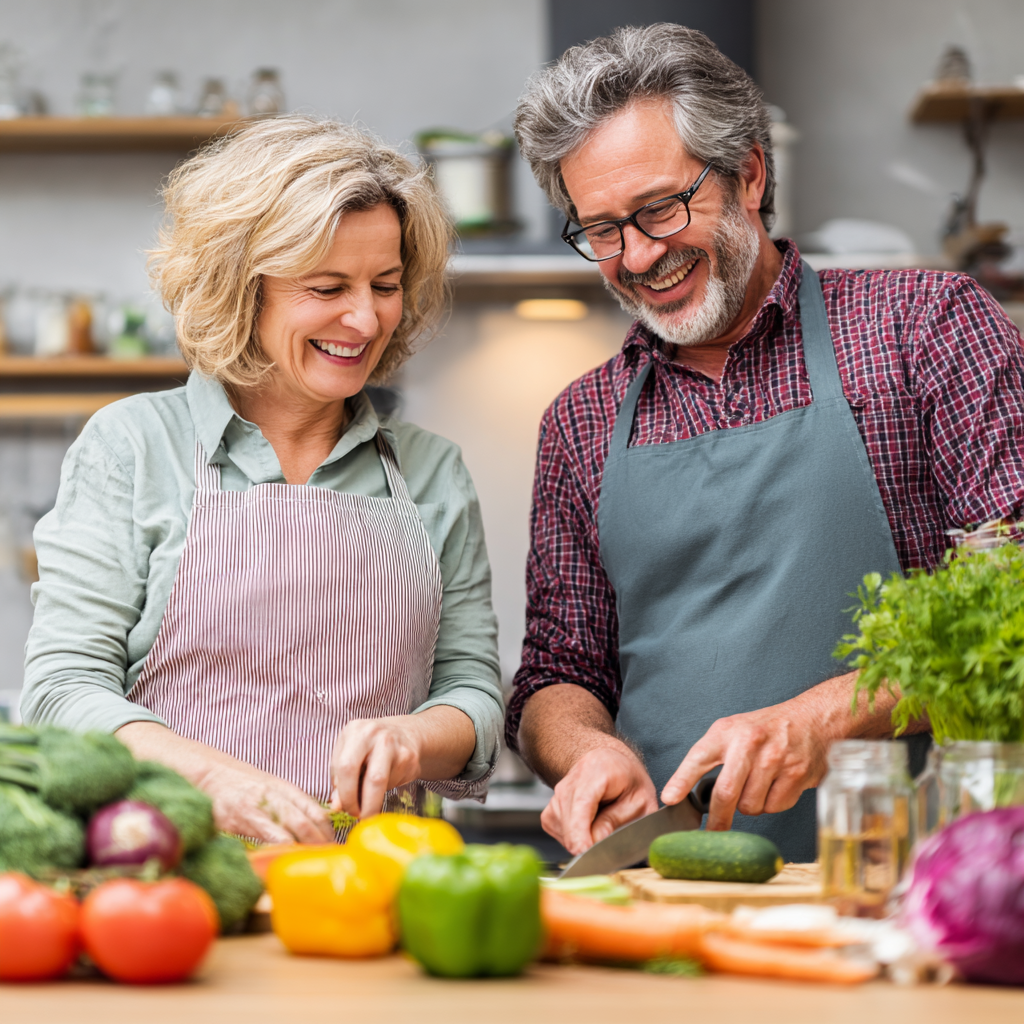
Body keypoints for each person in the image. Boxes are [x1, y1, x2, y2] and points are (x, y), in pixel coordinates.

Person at [506, 24, 1024, 862]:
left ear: (749, 172)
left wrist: (830, 715)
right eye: (601, 229)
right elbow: (557, 670)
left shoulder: (925, 329)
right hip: (671, 888)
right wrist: (584, 748)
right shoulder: (580, 420)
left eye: (661, 208)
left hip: (925, 881)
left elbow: (1013, 602)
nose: (638, 256)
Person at [23, 117, 503, 845]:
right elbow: (61, 692)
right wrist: (214, 779)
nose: (365, 317)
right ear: (243, 289)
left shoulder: (430, 470)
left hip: (369, 882)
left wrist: (415, 737)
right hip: (168, 879)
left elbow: (473, 694)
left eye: (386, 284)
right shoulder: (133, 447)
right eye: (327, 286)